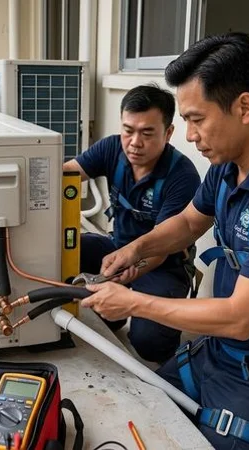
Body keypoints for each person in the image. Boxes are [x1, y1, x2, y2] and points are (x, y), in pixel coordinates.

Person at [80, 33, 249, 449]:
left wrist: (131, 302)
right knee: (135, 405)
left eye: (196, 119)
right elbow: (189, 223)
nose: (189, 136)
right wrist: (134, 249)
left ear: (244, 107)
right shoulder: (227, 167)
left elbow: (241, 318)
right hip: (219, 353)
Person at [63, 84, 201, 363]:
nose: (134, 142)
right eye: (128, 130)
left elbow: (162, 247)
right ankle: (113, 316)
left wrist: (128, 271)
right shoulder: (111, 148)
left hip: (163, 265)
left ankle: (156, 332)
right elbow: (67, 175)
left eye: (147, 133)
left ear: (169, 132)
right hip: (117, 247)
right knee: (65, 251)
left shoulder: (182, 176)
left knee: (148, 343)